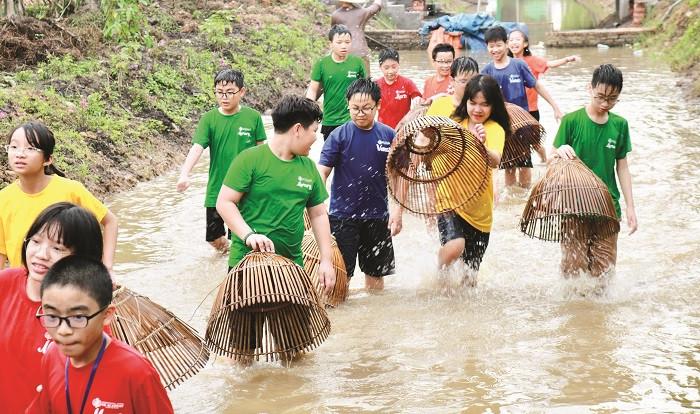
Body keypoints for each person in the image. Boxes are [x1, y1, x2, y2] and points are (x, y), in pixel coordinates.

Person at [216, 94, 335, 292]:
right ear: (297, 129)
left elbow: (319, 214)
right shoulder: (249, 160)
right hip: (247, 265)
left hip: (292, 267)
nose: (315, 138)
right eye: (314, 131)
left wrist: (326, 260)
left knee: (296, 324)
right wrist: (248, 235)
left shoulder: (308, 168)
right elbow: (224, 202)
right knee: (246, 323)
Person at [27, 256, 174, 413]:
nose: (63, 330)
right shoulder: (51, 356)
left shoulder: (137, 372)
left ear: (107, 315)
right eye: (52, 317)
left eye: (78, 317)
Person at [0, 203, 104, 413]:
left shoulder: (86, 315)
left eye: (57, 248)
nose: (41, 254)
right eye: (36, 241)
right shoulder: (5, 283)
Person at [553, 64, 638, 278]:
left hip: (607, 206)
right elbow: (552, 159)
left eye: (612, 99)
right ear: (589, 88)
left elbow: (623, 167)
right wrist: (559, 150)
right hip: (574, 204)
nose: (604, 103)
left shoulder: (620, 125)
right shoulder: (571, 121)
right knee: (574, 269)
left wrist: (630, 207)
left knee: (604, 272)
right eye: (600, 96)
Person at [318, 78, 403, 291]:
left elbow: (399, 176)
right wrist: (316, 208)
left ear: (378, 105)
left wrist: (397, 210)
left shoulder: (388, 135)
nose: (360, 113)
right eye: (355, 108)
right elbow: (322, 172)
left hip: (377, 218)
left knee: (375, 279)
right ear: (347, 105)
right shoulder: (338, 136)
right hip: (342, 217)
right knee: (340, 278)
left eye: (366, 108)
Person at [0, 121, 118, 271]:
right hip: (26, 286)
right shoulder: (3, 199)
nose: (20, 154)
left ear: (48, 159)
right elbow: (1, 253)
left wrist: (107, 267)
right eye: (14, 147)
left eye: (30, 148)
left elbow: (110, 221)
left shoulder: (70, 190)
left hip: (64, 282)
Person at [176, 69, 266, 252]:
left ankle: (236, 264)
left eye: (230, 92)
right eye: (219, 92)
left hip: (247, 190)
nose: (224, 97)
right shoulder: (209, 119)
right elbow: (197, 147)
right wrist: (184, 173)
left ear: (242, 92)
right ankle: (226, 252)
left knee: (242, 237)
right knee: (214, 238)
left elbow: (261, 150)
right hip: (217, 189)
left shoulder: (253, 117)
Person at [437, 75, 510, 286]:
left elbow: (495, 160)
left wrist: (482, 145)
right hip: (449, 200)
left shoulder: (495, 129)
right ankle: (436, 278)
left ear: (493, 106)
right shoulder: (455, 123)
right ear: (465, 102)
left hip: (480, 211)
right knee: (455, 246)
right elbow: (434, 147)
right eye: (473, 103)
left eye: (484, 104)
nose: (477, 109)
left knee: (469, 279)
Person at [481, 26, 563, 188]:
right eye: (491, 46)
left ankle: (524, 195)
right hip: (501, 125)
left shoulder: (519, 65)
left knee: (525, 163)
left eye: (498, 45)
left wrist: (555, 107)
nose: (495, 49)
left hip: (522, 123)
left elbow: (537, 86)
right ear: (487, 47)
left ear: (506, 44)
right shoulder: (487, 71)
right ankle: (512, 196)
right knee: (508, 167)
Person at [506, 28, 579, 188]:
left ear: (525, 44)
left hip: (530, 110)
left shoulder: (532, 61)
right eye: (511, 39)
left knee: (534, 143)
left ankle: (545, 159)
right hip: (511, 114)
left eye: (518, 39)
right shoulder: (504, 64)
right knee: (513, 150)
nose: (514, 42)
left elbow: (549, 64)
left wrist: (567, 59)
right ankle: (512, 188)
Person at [307, 24, 366, 141]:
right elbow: (313, 90)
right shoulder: (322, 64)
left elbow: (365, 89)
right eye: (339, 42)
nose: (344, 46)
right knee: (331, 156)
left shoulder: (357, 63)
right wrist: (307, 111)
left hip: (353, 119)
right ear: (331, 44)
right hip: (330, 119)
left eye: (347, 42)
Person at [331, 0, 382, 76]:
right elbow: (375, 7)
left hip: (343, 51)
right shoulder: (362, 12)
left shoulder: (335, 15)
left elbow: (333, 34)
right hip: (360, 51)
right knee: (365, 82)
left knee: (345, 80)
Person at [376, 48, 422, 129]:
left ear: (399, 65)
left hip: (404, 128)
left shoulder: (407, 83)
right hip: (382, 128)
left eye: (394, 67)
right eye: (386, 68)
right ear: (380, 67)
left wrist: (417, 100)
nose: (390, 71)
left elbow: (417, 97)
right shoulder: (376, 85)